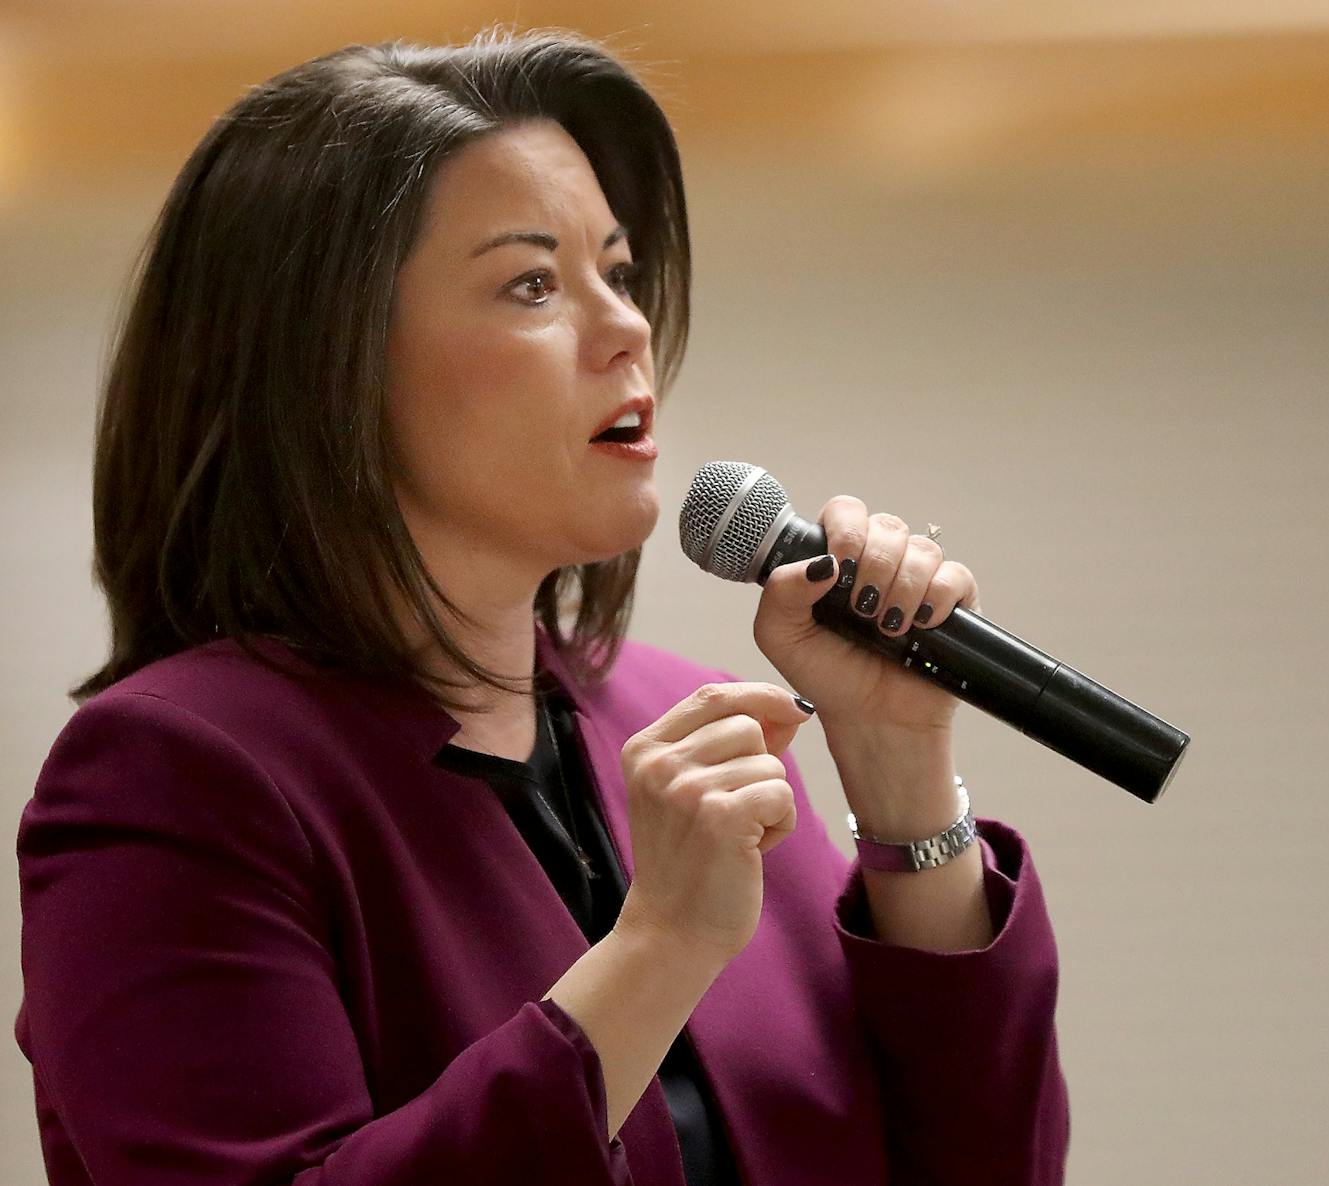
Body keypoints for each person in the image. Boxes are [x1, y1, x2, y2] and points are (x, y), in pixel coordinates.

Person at [14, 28, 1069, 1186]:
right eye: (531, 283)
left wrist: (903, 774)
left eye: (617, 271)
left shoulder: (676, 710)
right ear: (329, 360)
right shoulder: (177, 774)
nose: (625, 326)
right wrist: (658, 949)